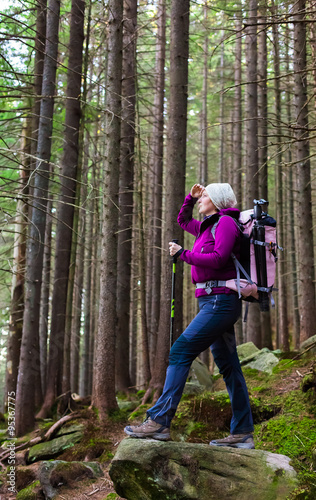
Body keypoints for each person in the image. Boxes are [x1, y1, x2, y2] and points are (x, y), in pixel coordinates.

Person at [124, 183, 255, 449]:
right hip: (210, 301)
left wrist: (184, 254)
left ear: (217, 201)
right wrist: (189, 197)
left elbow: (219, 259)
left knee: (181, 351)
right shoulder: (207, 226)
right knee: (229, 366)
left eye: (205, 196)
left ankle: (159, 420)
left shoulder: (227, 223)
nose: (200, 200)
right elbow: (182, 221)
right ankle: (242, 432)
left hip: (220, 302)